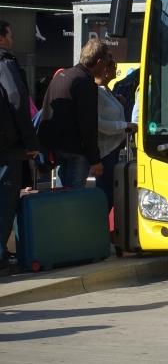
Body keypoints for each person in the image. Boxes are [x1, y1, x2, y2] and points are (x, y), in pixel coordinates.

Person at [38, 39, 108, 189]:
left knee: (61, 194)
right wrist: (95, 159)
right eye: (106, 63)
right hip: (76, 150)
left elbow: (46, 108)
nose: (106, 68)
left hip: (57, 148)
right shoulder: (85, 83)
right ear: (99, 61)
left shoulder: (61, 76)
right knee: (74, 197)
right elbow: (88, 124)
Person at [0, 21, 41, 275]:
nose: (12, 40)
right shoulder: (5, 63)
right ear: (2, 37)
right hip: (7, 148)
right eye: (10, 34)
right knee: (5, 202)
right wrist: (30, 142)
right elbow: (16, 99)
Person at [95, 54, 137, 211]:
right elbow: (98, 123)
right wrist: (124, 126)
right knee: (106, 193)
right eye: (114, 66)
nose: (117, 68)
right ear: (106, 69)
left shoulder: (108, 91)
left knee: (111, 192)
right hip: (105, 151)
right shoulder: (97, 92)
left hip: (114, 150)